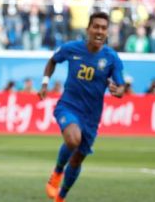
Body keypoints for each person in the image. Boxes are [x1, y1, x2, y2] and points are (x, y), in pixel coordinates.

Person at [38, 12, 125, 202]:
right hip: (68, 106)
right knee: (73, 139)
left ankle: (61, 196)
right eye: (96, 26)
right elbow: (53, 60)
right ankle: (57, 172)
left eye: (103, 28)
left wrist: (116, 90)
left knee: (77, 159)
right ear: (88, 29)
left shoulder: (111, 58)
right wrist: (45, 82)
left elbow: (121, 87)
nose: (99, 31)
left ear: (107, 32)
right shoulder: (72, 49)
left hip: (91, 117)